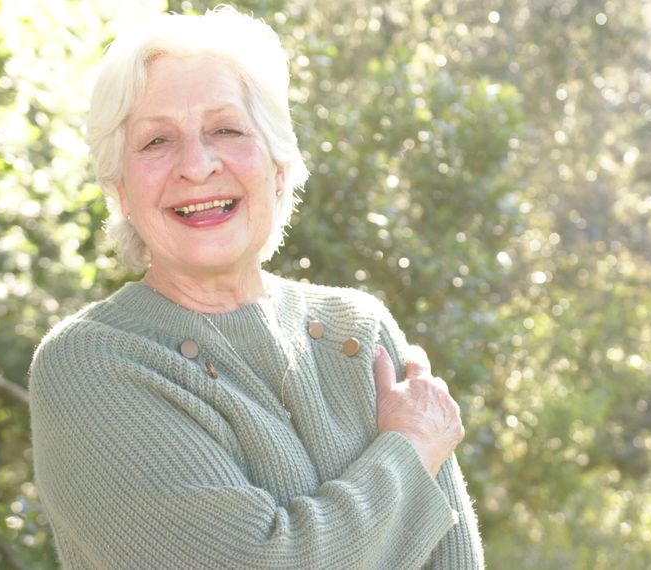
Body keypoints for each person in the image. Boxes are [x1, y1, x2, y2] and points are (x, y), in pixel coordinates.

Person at [27, 6, 483, 569]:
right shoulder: (93, 362)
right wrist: (411, 450)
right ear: (121, 191)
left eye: (226, 129)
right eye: (156, 142)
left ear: (279, 165)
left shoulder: (359, 330)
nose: (196, 165)